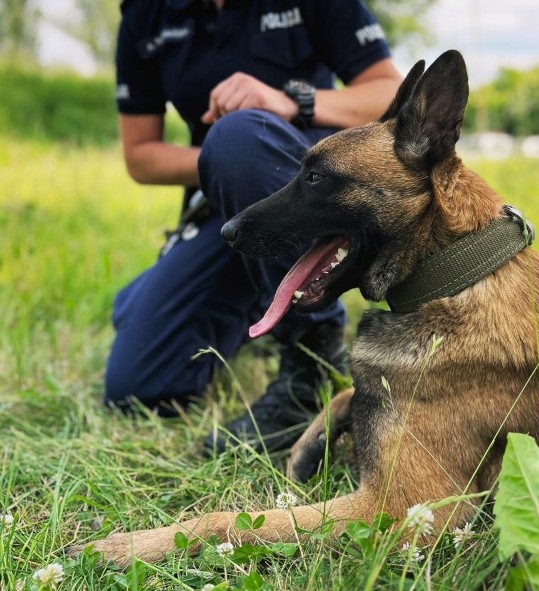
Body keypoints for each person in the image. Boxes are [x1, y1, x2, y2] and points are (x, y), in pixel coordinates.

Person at [106, 0, 402, 455]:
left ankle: (311, 369)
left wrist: (291, 103)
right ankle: (241, 303)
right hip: (225, 210)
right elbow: (141, 155)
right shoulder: (146, 15)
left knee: (239, 137)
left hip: (305, 195)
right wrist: (222, 160)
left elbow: (389, 93)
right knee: (138, 388)